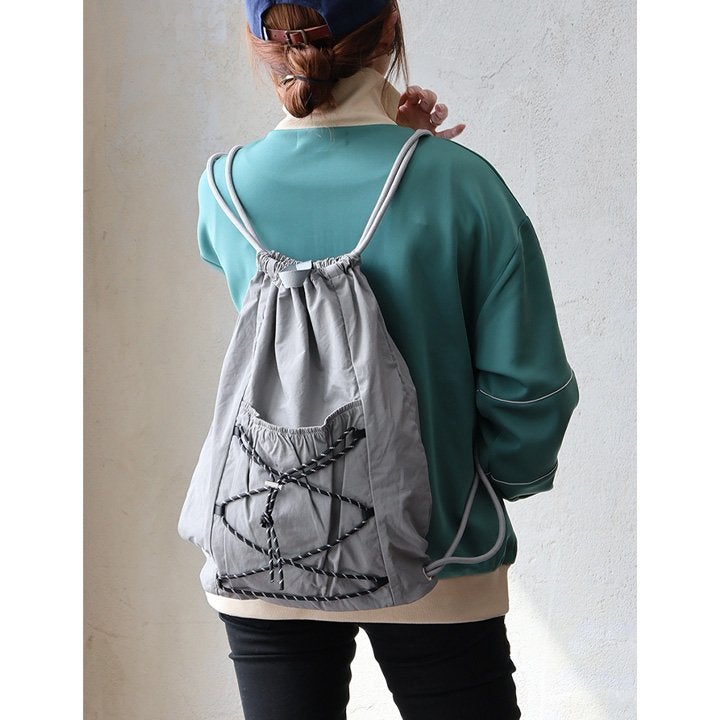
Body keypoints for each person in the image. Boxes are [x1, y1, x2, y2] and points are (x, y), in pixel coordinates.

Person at [191, 1, 578, 718]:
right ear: (391, 31)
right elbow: (529, 387)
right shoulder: (461, 182)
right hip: (438, 545)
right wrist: (502, 478)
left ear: (260, 45)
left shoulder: (222, 189)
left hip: (261, 541)